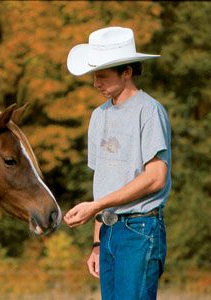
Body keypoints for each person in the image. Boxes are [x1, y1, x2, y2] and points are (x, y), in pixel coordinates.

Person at [63, 27, 171, 300]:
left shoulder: (149, 111)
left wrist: (95, 207)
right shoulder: (98, 116)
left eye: (102, 75)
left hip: (140, 230)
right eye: (94, 75)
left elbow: (156, 177)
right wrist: (98, 242)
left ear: (127, 72)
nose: (96, 82)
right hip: (109, 231)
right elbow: (103, 184)